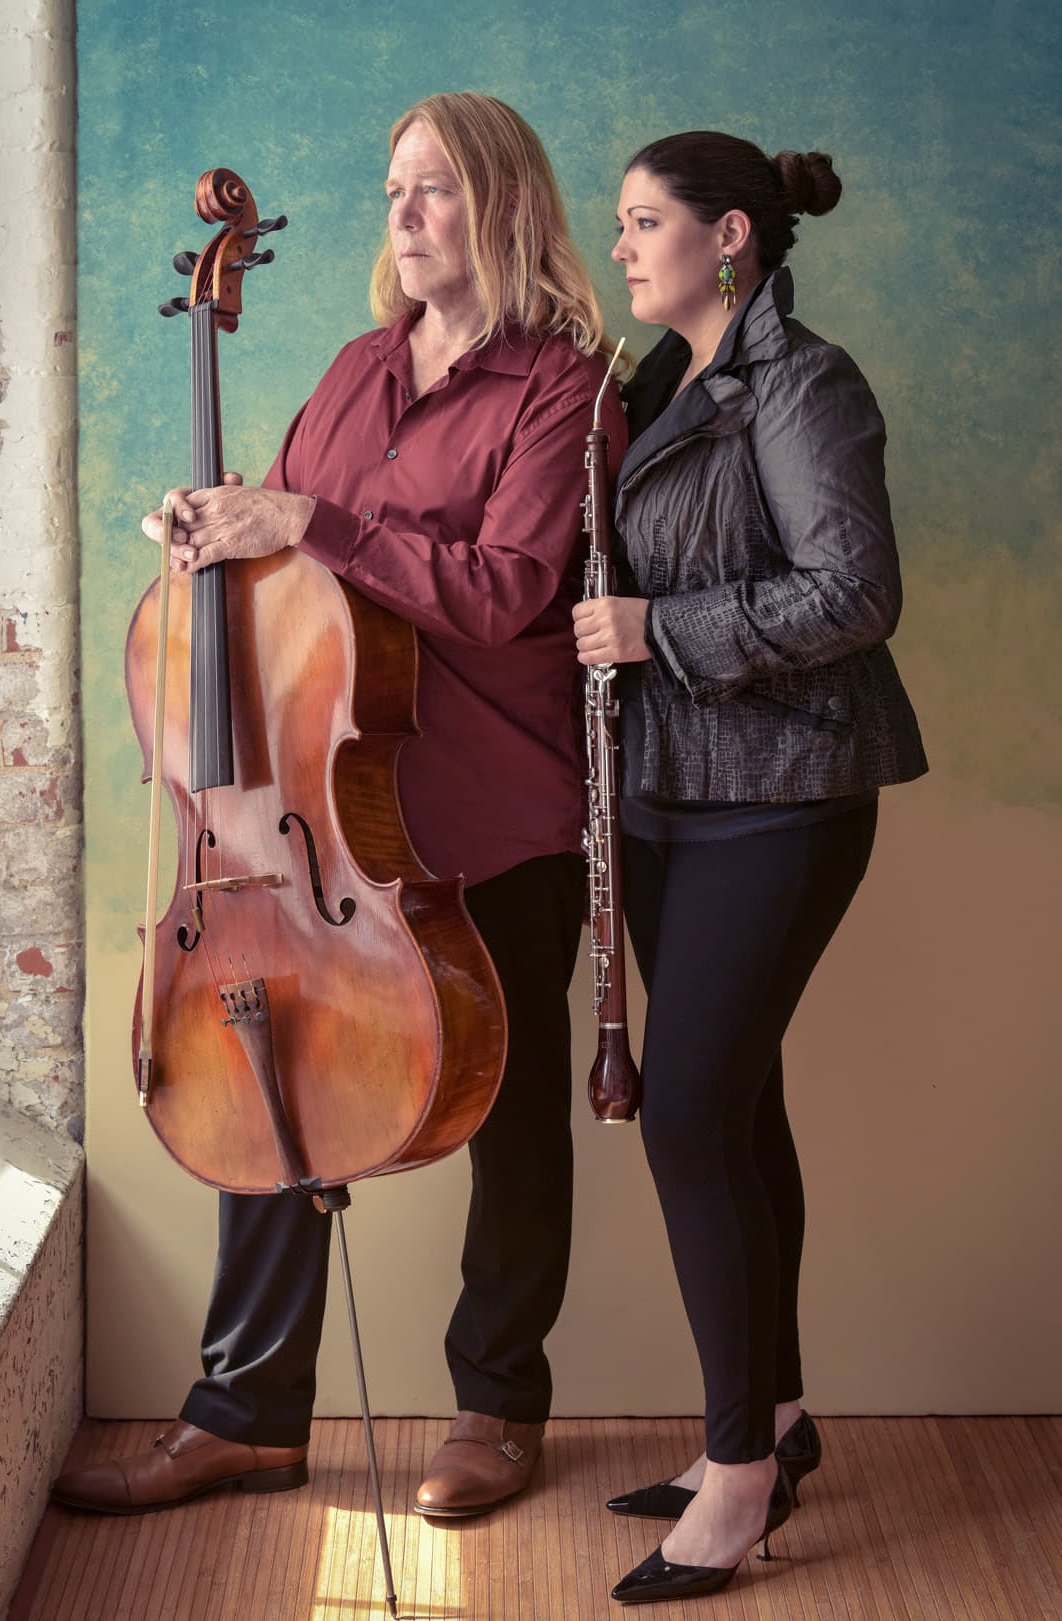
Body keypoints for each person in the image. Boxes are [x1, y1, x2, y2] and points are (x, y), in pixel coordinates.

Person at [54, 92, 626, 1521]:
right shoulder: (357, 367)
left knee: (510, 1107)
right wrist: (214, 525)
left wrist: (306, 524)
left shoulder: (564, 382)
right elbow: (289, 551)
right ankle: (245, 1413)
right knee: (269, 1066)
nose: (403, 212)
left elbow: (506, 594)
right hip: (321, 821)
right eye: (391, 190)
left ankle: (496, 1405)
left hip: (490, 805)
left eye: (432, 188)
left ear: (499, 200)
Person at [572, 131, 927, 1604]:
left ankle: (732, 1482)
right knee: (740, 1110)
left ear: (731, 235)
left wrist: (660, 631)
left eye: (645, 223)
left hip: (780, 798)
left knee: (690, 1118)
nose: (623, 248)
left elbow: (855, 590)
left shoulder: (802, 382)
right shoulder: (652, 378)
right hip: (664, 797)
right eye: (618, 224)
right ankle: (772, 1421)